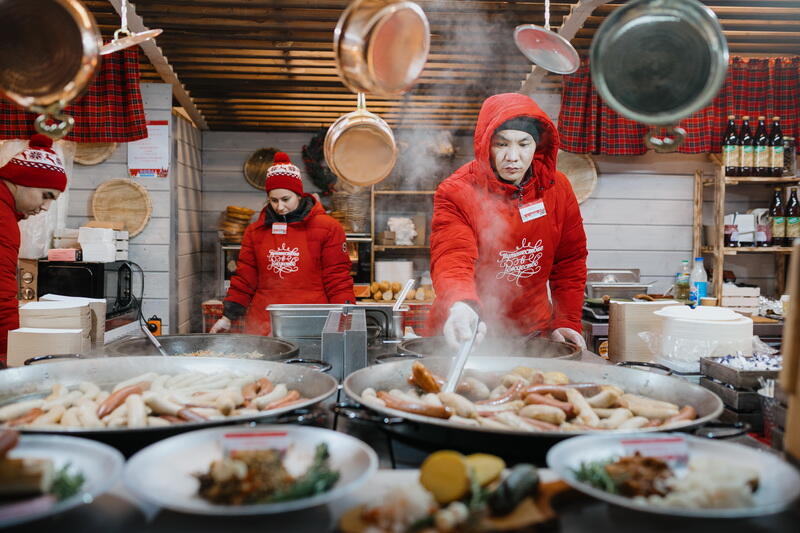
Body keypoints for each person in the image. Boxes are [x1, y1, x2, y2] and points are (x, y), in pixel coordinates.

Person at [428, 93, 588, 349]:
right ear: (485, 144)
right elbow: (452, 258)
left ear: (539, 146)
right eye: (501, 144)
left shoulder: (558, 189)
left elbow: (570, 262)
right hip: (469, 329)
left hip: (533, 333)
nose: (513, 157)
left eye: (523, 144)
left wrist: (567, 320)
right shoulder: (456, 191)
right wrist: (460, 304)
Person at [211, 152, 355, 335]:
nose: (279, 207)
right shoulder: (255, 232)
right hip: (263, 325)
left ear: (299, 195)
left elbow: (338, 278)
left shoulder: (329, 228)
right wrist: (228, 316)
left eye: (286, 199)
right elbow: (245, 279)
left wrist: (345, 316)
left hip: (311, 322)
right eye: (273, 200)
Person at [0, 134, 67, 363]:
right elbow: (1, 294)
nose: (45, 207)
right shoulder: (2, 219)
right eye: (45, 195)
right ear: (22, 180)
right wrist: (10, 355)